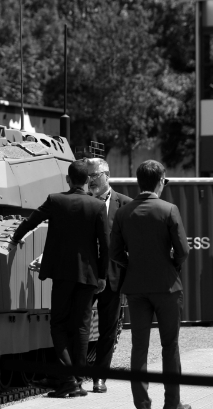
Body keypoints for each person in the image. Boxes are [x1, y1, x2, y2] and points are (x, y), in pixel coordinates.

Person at [11, 158, 109, 398]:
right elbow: (105, 245)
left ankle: (67, 381)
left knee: (59, 325)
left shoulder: (56, 200)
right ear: (87, 181)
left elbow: (31, 220)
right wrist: (103, 276)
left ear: (68, 179)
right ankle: (77, 379)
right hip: (88, 276)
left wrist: (15, 237)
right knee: (82, 327)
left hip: (62, 274)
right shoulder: (97, 206)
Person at [110, 160, 191, 409]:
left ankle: (142, 404)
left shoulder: (123, 212)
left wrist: (132, 266)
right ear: (161, 181)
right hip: (167, 287)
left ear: (138, 182)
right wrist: (171, 266)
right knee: (170, 346)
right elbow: (183, 251)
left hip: (136, 288)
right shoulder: (169, 210)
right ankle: (172, 404)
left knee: (139, 347)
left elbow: (115, 253)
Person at [87, 158, 132, 393]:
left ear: (107, 175)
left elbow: (132, 244)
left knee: (107, 330)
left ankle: (99, 378)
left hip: (113, 278)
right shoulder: (81, 202)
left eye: (94, 176)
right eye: (87, 177)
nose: (90, 181)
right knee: (77, 327)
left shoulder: (126, 205)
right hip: (85, 276)